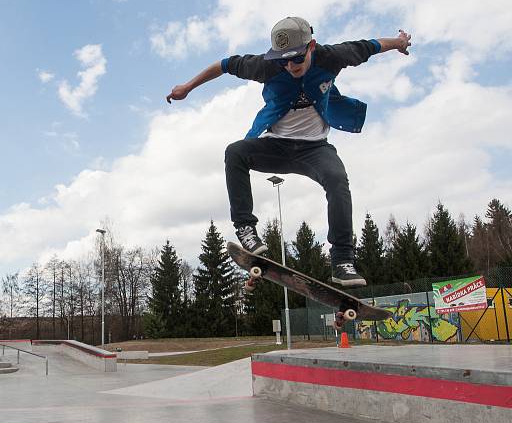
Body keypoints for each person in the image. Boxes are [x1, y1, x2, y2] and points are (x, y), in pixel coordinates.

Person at [167, 17, 412, 286]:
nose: (290, 66)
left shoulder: (333, 56)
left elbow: (373, 45)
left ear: (312, 47)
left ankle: (342, 260)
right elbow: (224, 65)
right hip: (277, 146)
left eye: (296, 59)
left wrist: (399, 43)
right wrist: (188, 87)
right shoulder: (264, 66)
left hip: (315, 149)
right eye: (284, 61)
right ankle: (246, 229)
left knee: (337, 179)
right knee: (235, 152)